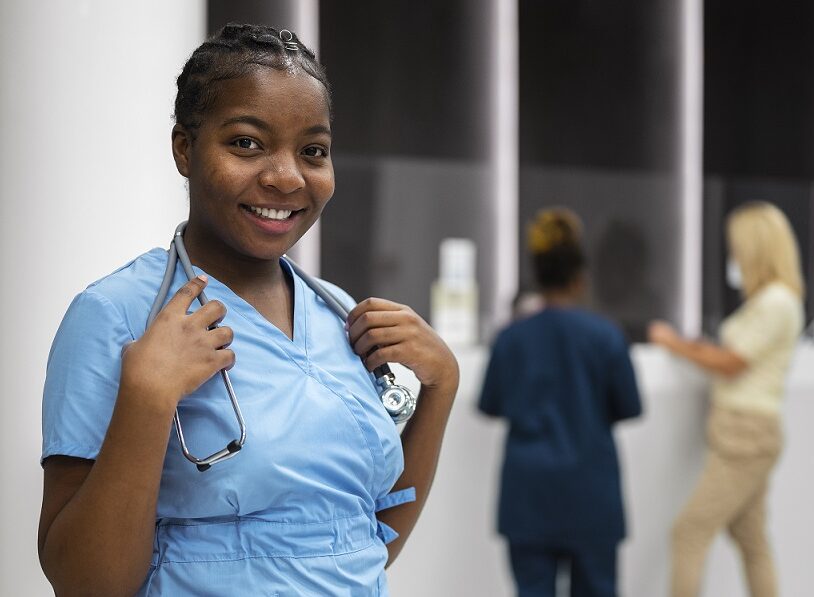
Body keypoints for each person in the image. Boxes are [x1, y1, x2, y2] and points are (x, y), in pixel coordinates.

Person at [38, 24, 458, 596]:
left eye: (313, 151)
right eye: (246, 143)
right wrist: (148, 398)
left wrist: (441, 389)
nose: (285, 177)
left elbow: (363, 540)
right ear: (185, 149)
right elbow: (85, 585)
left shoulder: (340, 317)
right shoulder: (117, 316)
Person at [478, 208, 642, 597]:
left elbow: (491, 405)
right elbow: (630, 407)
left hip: (528, 497)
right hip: (592, 495)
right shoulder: (606, 336)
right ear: (580, 279)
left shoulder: (511, 338)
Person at [647, 201, 805, 597]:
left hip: (745, 435)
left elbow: (733, 363)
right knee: (751, 537)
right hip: (746, 432)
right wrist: (698, 349)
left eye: (737, 248)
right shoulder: (768, 302)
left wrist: (673, 344)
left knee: (689, 532)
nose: (733, 257)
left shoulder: (777, 303)